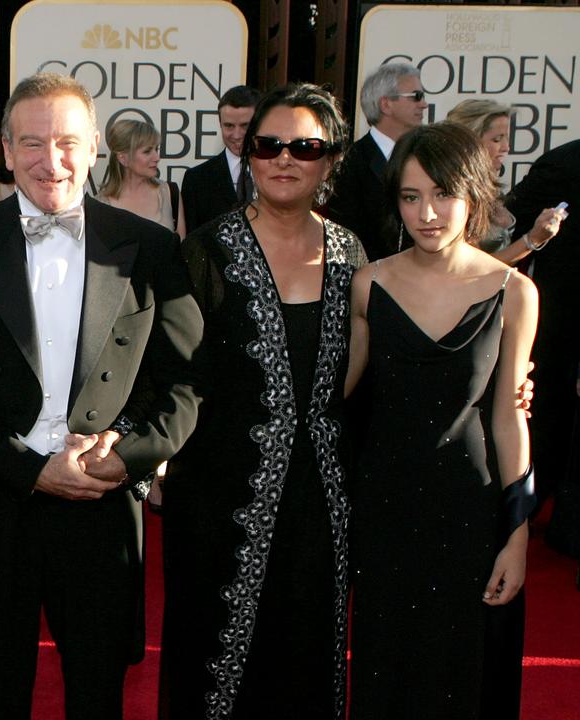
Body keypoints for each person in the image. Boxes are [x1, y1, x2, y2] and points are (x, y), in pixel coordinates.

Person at [0, 72, 203, 719]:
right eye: (34, 142)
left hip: (101, 509)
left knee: (98, 695)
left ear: (96, 146)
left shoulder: (152, 250)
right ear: (10, 153)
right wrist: (30, 468)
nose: (53, 160)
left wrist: (129, 454)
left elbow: (185, 384)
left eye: (69, 141)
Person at [162, 83, 362, 719]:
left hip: (322, 496)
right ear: (248, 155)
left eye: (305, 147)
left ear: (330, 161)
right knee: (212, 650)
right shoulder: (205, 252)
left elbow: (376, 366)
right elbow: (170, 371)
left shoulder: (351, 255)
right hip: (216, 496)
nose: (284, 158)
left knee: (307, 650)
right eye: (269, 144)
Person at [346, 121, 540, 719]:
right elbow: (332, 396)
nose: (426, 212)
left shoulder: (512, 290)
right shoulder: (368, 284)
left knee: (465, 672)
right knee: (389, 669)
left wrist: (518, 530)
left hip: (471, 508)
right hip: (385, 509)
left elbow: (509, 416)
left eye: (443, 193)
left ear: (473, 194)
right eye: (410, 196)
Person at [505, 139, 580, 555]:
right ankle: (533, 507)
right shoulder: (563, 162)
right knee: (548, 413)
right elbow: (510, 221)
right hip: (558, 319)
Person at [324, 62, 428, 260]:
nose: (423, 104)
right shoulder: (350, 162)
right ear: (386, 104)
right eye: (416, 96)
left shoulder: (425, 157)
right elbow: (344, 236)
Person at [445, 99, 564, 264]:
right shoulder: (457, 194)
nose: (506, 147)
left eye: (506, 138)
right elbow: (472, 268)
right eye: (497, 139)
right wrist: (533, 239)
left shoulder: (490, 189)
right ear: (469, 142)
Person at [181, 85, 261, 234]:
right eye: (229, 126)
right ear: (220, 125)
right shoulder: (196, 179)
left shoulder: (277, 172)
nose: (237, 135)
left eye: (245, 126)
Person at [96, 118, 186, 237]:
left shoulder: (170, 193)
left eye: (156, 149)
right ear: (123, 158)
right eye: (147, 151)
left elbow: (182, 249)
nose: (157, 157)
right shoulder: (101, 205)